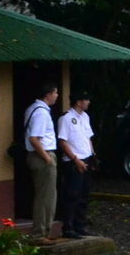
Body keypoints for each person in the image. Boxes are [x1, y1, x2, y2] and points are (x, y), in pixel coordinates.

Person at [23, 83, 60, 240]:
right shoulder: (41, 113)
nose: (57, 96)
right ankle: (40, 233)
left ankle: (42, 230)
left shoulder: (33, 109)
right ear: (48, 94)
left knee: (43, 194)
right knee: (46, 196)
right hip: (42, 155)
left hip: (38, 155)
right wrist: (47, 158)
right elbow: (34, 138)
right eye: (55, 92)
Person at [56, 90, 95, 238]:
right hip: (73, 160)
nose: (88, 102)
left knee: (84, 195)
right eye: (86, 100)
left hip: (86, 158)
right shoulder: (66, 118)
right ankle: (68, 227)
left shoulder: (85, 117)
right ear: (79, 102)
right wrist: (75, 159)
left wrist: (93, 155)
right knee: (72, 195)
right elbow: (62, 141)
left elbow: (88, 138)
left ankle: (80, 225)